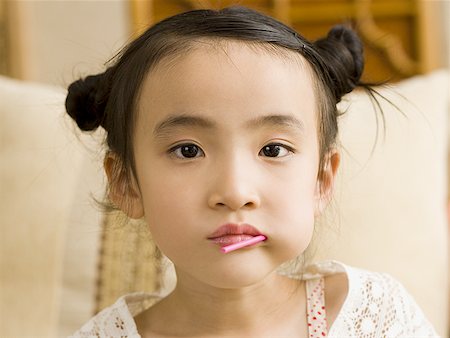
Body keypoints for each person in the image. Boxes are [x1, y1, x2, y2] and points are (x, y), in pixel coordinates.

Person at [65, 5, 438, 337]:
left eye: (272, 150)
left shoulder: (377, 319)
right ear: (126, 182)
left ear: (322, 180)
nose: (235, 191)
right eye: (188, 150)